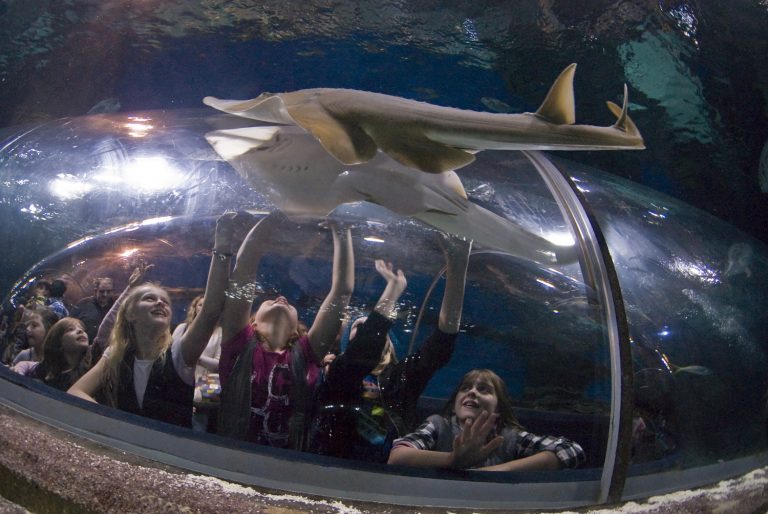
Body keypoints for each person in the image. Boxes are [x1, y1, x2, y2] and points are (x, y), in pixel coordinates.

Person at [67, 212, 246, 427]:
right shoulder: (118, 354)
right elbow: (75, 390)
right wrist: (111, 422)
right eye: (150, 299)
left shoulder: (182, 348)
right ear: (131, 314)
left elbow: (212, 311)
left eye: (165, 301)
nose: (161, 303)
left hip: (190, 425)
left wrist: (223, 246)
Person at [309, 236, 471, 462]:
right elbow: (363, 351)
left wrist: (457, 266)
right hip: (332, 465)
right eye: (357, 327)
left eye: (371, 325)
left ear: (391, 342)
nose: (366, 328)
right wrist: (393, 290)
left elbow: (442, 342)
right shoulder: (337, 374)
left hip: (389, 472)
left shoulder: (403, 377)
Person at [217, 213, 354, 449]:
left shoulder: (306, 354)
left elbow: (342, 292)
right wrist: (275, 216)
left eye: (289, 303)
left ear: (297, 330)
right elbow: (244, 270)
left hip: (288, 462)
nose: (281, 298)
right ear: (253, 323)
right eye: (270, 300)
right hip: (232, 454)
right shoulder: (239, 344)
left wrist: (342, 232)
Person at [388, 369, 586, 471]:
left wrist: (496, 472)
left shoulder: (507, 436)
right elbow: (397, 456)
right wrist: (452, 460)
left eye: (484, 389)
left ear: (498, 406)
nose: (472, 392)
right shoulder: (439, 424)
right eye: (465, 388)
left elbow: (570, 450)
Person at [12, 317, 90, 391]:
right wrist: (20, 367)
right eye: (70, 329)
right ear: (58, 342)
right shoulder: (48, 371)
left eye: (82, 329)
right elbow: (31, 366)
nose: (80, 331)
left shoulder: (89, 369)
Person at [72, 277, 115, 343]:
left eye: (108, 291)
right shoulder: (83, 304)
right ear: (95, 291)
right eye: (102, 291)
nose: (105, 295)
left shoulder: (115, 307)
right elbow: (71, 323)